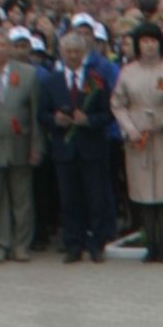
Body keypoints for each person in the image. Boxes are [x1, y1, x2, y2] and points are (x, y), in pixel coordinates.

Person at [111, 19, 163, 262]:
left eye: (153, 41)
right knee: (143, 191)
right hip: (137, 139)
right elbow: (118, 104)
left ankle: (162, 244)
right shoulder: (127, 72)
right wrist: (130, 129)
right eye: (144, 41)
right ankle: (149, 243)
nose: (149, 46)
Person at [39, 24, 117, 262]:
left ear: (84, 52)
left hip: (92, 148)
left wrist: (88, 120)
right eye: (68, 51)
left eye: (76, 51)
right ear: (61, 52)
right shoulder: (51, 81)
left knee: (95, 197)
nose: (72, 55)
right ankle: (73, 244)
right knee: (69, 199)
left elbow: (108, 114)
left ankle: (96, 244)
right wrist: (55, 119)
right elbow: (41, 113)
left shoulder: (97, 79)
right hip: (64, 149)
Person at [0, 10, 41, 260]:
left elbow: (35, 113)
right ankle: (0, 243)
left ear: (10, 47)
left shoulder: (28, 73)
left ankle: (21, 243)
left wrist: (37, 146)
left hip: (20, 144)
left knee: (22, 197)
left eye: (3, 44)